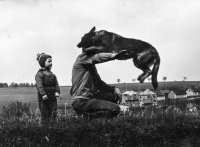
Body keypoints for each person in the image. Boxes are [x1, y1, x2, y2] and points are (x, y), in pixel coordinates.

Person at [70, 49, 127, 119]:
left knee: (112, 96)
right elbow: (98, 57)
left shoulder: (90, 65)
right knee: (115, 109)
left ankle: (96, 121)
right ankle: (86, 117)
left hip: (86, 100)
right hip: (81, 101)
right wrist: (114, 55)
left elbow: (99, 83)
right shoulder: (82, 58)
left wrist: (114, 88)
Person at [35, 53, 60, 121]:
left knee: (53, 111)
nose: (51, 63)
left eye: (51, 61)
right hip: (44, 97)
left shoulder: (53, 75)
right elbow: (39, 85)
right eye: (49, 61)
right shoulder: (39, 74)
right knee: (45, 112)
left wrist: (57, 91)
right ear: (43, 62)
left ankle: (53, 126)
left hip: (52, 96)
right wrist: (43, 94)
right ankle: (45, 127)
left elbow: (56, 84)